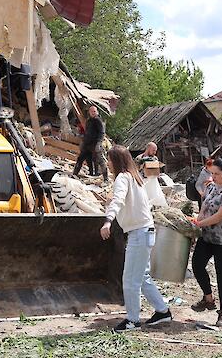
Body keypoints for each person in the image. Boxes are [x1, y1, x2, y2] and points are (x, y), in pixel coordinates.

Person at [99, 145, 171, 332]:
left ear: (116, 161)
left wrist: (108, 220)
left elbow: (118, 199)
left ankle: (133, 321)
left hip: (139, 234)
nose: (107, 163)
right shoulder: (135, 178)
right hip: (145, 231)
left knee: (130, 280)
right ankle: (163, 311)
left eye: (109, 159)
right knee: (143, 277)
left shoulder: (123, 178)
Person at [190, 158, 222, 327]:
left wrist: (199, 224)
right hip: (208, 236)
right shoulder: (211, 186)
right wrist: (198, 220)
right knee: (197, 264)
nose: (214, 177)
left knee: (221, 273)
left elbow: (221, 215)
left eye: (217, 174)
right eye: (212, 173)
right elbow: (204, 207)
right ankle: (208, 298)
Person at [74, 106, 106, 179]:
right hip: (87, 143)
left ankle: (105, 177)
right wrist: (83, 140)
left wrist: (99, 143)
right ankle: (75, 174)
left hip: (95, 143)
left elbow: (102, 132)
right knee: (82, 159)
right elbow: (87, 132)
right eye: (92, 111)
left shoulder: (98, 120)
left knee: (99, 160)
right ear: (89, 112)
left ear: (97, 112)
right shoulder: (88, 121)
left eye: (94, 111)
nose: (93, 113)